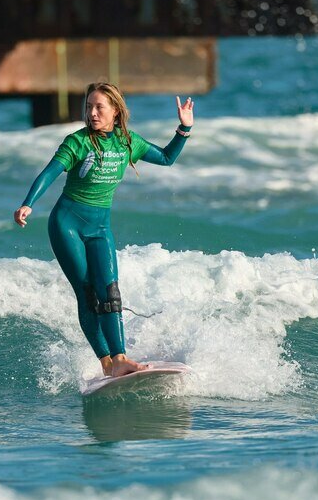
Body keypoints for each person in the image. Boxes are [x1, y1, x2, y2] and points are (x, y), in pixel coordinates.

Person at [13, 82, 194, 377]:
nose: (92, 113)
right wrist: (28, 203)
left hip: (99, 228)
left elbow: (166, 158)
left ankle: (120, 358)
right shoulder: (78, 142)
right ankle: (106, 362)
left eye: (99, 107)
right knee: (87, 294)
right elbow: (49, 172)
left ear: (115, 111)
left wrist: (183, 129)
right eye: (89, 107)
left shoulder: (127, 142)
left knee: (110, 293)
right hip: (66, 225)